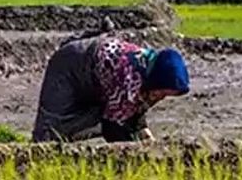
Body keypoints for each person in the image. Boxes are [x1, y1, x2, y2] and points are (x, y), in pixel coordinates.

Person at [32, 35, 190, 143]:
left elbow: (136, 111)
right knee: (48, 134)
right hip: (69, 67)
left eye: (167, 95)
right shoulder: (129, 80)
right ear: (156, 81)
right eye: (162, 92)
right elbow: (112, 128)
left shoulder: (148, 72)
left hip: (98, 76)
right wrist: (132, 152)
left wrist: (147, 139)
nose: (161, 97)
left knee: (118, 116)